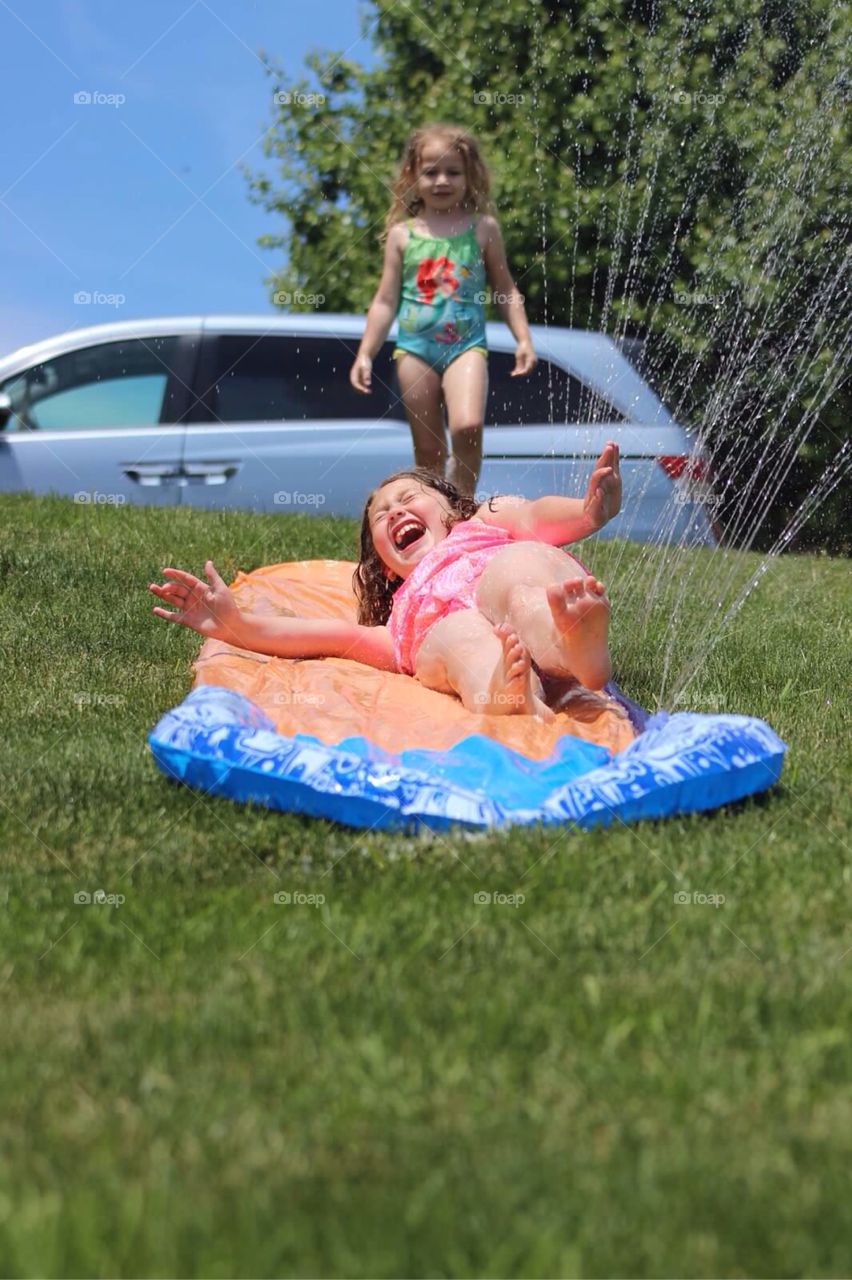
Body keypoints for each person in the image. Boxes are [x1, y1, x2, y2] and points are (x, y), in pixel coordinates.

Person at [149, 445, 622, 724]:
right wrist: (236, 625)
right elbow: (322, 637)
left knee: (519, 577)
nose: (394, 511)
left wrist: (586, 512)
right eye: (381, 514)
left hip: (515, 583)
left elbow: (538, 518)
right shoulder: (402, 621)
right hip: (457, 633)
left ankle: (574, 642)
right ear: (385, 565)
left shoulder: (483, 524)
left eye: (408, 497)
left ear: (451, 506)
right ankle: (508, 693)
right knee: (458, 639)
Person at [349, 122, 537, 496]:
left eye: (453, 172)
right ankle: (435, 512)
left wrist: (523, 339)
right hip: (415, 351)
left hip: (465, 346)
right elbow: (385, 300)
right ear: (412, 176)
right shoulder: (404, 235)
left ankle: (463, 505)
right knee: (429, 449)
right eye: (430, 172)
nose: (441, 181)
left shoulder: (483, 229)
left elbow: (505, 289)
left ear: (470, 177)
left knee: (467, 426)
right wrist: (365, 353)